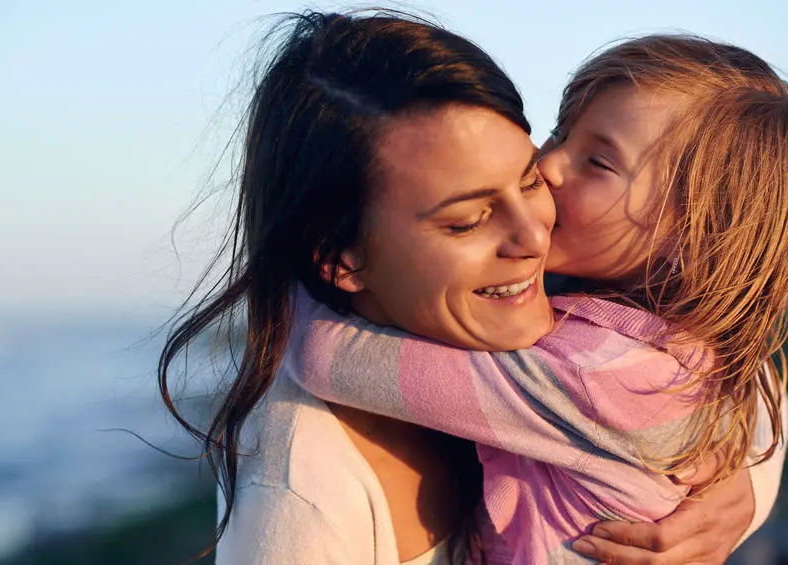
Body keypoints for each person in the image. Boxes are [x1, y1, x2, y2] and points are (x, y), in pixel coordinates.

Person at [157, 12, 783, 565]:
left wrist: (744, 489)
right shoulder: (303, 484)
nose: (549, 168)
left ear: (700, 229)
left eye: (596, 161)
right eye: (466, 219)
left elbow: (326, 355)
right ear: (339, 255)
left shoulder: (593, 364)